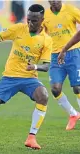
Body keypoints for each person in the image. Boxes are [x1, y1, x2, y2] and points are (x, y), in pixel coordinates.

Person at [0, 4, 52, 150]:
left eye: (34, 21)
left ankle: (31, 138)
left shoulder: (46, 40)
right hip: (9, 77)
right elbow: (1, 35)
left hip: (29, 78)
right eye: (29, 20)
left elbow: (46, 65)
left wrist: (35, 67)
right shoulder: (18, 28)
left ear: (42, 20)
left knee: (43, 96)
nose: (30, 23)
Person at [43, 1, 80, 131]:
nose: (54, 1)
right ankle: (73, 114)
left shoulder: (71, 10)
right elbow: (40, 35)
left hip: (73, 53)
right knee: (55, 88)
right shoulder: (45, 15)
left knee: (77, 87)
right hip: (55, 56)